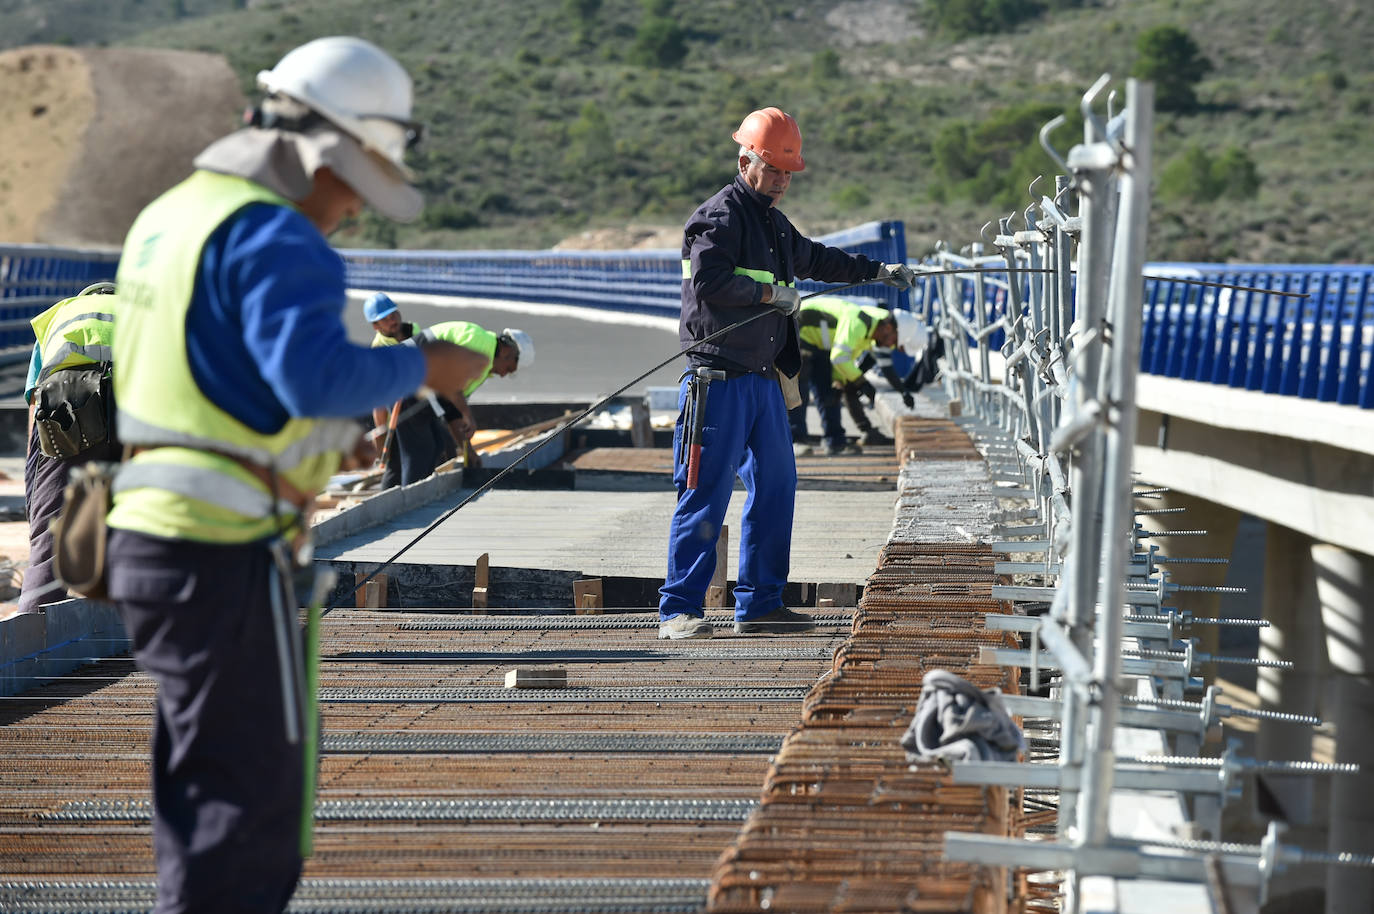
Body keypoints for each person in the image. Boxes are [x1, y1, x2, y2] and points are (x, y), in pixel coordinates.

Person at [105, 37, 488, 914]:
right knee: (253, 817)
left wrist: (312, 446)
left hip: (146, 537)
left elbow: (209, 387)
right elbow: (313, 376)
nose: (353, 210)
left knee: (201, 798)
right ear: (330, 153)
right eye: (357, 181)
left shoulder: (171, 216)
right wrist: (423, 368)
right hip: (223, 551)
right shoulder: (279, 236)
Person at [657, 106, 915, 640]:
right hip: (718, 380)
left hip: (764, 381)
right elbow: (708, 282)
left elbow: (816, 258)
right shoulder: (718, 218)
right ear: (745, 159)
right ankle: (678, 610)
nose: (779, 182)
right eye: (772, 169)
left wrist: (876, 272)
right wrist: (769, 294)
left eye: (787, 174)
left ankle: (760, 605)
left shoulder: (774, 225)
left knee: (777, 486)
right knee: (704, 492)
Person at [17, 281, 121, 615]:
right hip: (135, 400)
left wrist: (37, 494)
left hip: (68, 404)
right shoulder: (146, 314)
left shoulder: (60, 316)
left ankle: (34, 625)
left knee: (51, 536)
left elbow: (36, 403)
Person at [366, 295, 531, 485]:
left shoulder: (483, 367)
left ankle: (402, 498)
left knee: (438, 445)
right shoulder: (478, 341)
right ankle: (406, 503)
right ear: (507, 353)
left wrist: (468, 451)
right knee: (420, 450)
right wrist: (467, 414)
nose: (504, 375)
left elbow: (451, 409)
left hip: (419, 387)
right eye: (509, 369)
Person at [789, 296, 923, 456]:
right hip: (800, 330)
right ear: (888, 328)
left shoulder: (869, 334)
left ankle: (835, 443)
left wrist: (839, 382)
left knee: (830, 391)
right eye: (894, 341)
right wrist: (862, 383)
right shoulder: (857, 323)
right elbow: (839, 357)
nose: (891, 346)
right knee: (799, 388)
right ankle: (796, 440)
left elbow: (843, 360)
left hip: (821, 343)